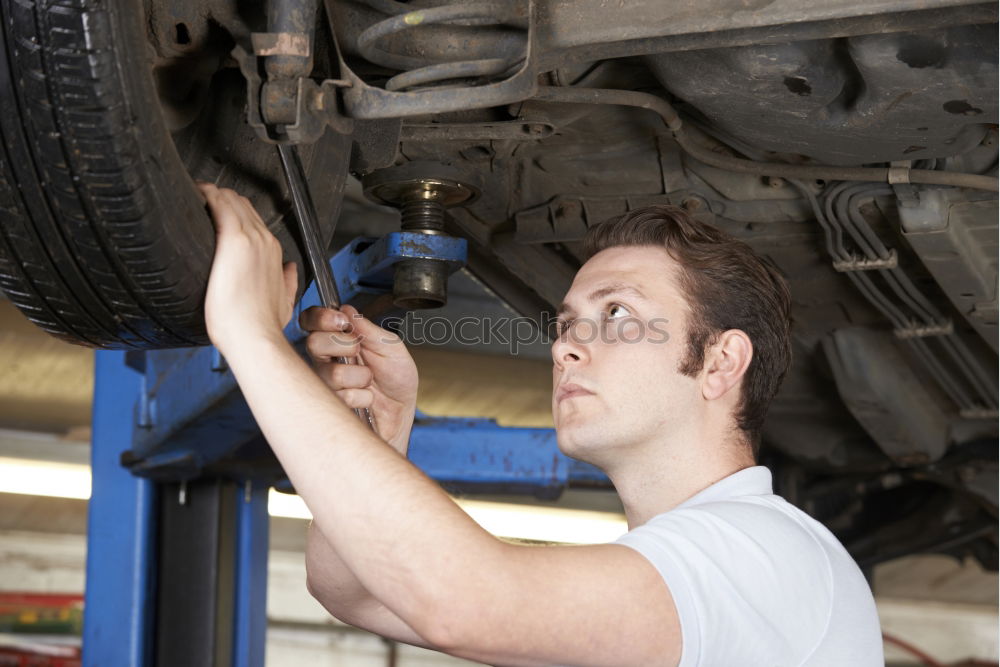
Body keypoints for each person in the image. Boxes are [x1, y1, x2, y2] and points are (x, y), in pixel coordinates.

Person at [199, 182, 884, 666]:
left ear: (720, 360)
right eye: (565, 324)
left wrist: (251, 336)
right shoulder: (678, 577)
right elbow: (351, 590)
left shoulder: (763, 553)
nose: (564, 346)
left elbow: (467, 602)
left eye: (617, 313)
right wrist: (382, 435)